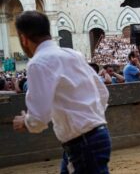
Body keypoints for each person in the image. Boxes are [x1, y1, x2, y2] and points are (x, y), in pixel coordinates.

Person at [12, 11, 111, 174]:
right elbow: (102, 93)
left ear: (23, 38)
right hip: (96, 135)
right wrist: (91, 119)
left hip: (81, 142)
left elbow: (39, 117)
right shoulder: (73, 54)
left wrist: (25, 122)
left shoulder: (38, 63)